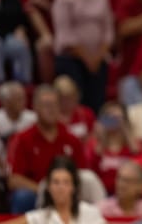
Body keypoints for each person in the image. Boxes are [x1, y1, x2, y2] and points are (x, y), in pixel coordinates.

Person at [7, 84, 86, 214]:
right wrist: (45, 190)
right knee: (22, 197)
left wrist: (64, 190)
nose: (51, 110)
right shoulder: (22, 139)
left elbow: (82, 173)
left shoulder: (71, 139)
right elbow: (14, 179)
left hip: (67, 192)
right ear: (35, 108)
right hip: (36, 192)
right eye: (46, 105)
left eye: (55, 105)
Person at [0, 155, 107, 224]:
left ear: (73, 187)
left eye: (66, 182)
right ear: (48, 187)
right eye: (56, 182)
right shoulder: (41, 216)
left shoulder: (89, 212)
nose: (60, 187)